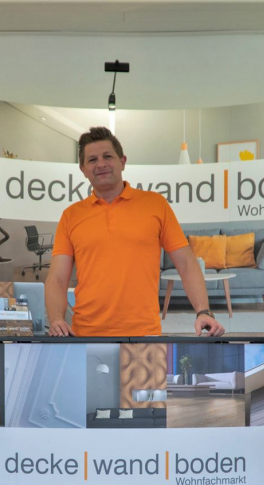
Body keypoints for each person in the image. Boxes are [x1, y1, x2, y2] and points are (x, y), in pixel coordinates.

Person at [44, 127, 224, 338]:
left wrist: (203, 311)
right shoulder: (71, 216)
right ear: (83, 169)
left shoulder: (155, 204)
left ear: (122, 161)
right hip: (85, 333)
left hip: (144, 334)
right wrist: (56, 319)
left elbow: (186, 263)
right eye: (92, 160)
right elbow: (57, 278)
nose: (100, 164)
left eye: (107, 156)